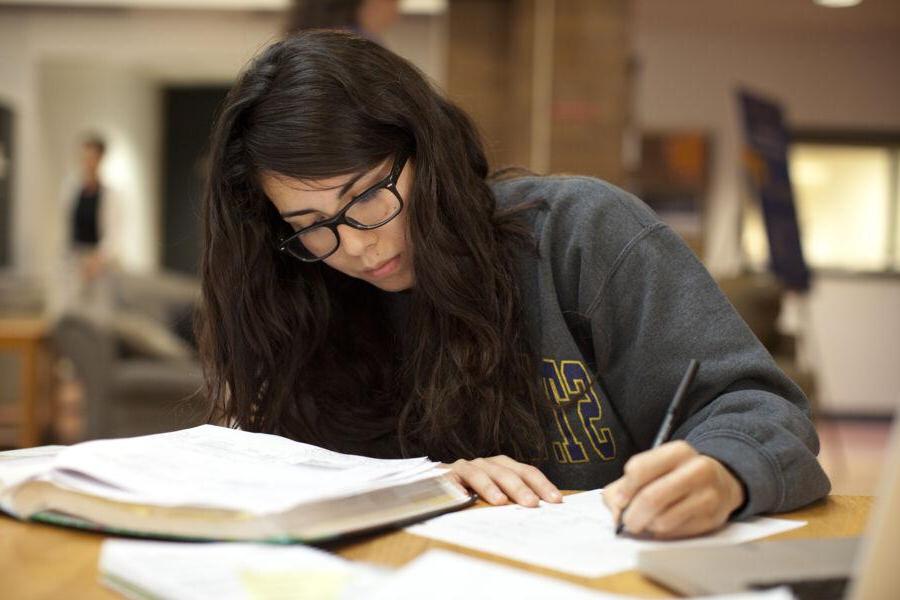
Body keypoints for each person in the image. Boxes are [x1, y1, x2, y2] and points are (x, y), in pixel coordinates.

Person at [197, 31, 830, 539]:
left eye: (367, 196)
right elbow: (304, 480)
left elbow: (762, 409)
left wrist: (724, 472)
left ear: (429, 151)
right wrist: (432, 480)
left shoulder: (582, 234)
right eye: (311, 224)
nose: (357, 244)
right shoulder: (304, 295)